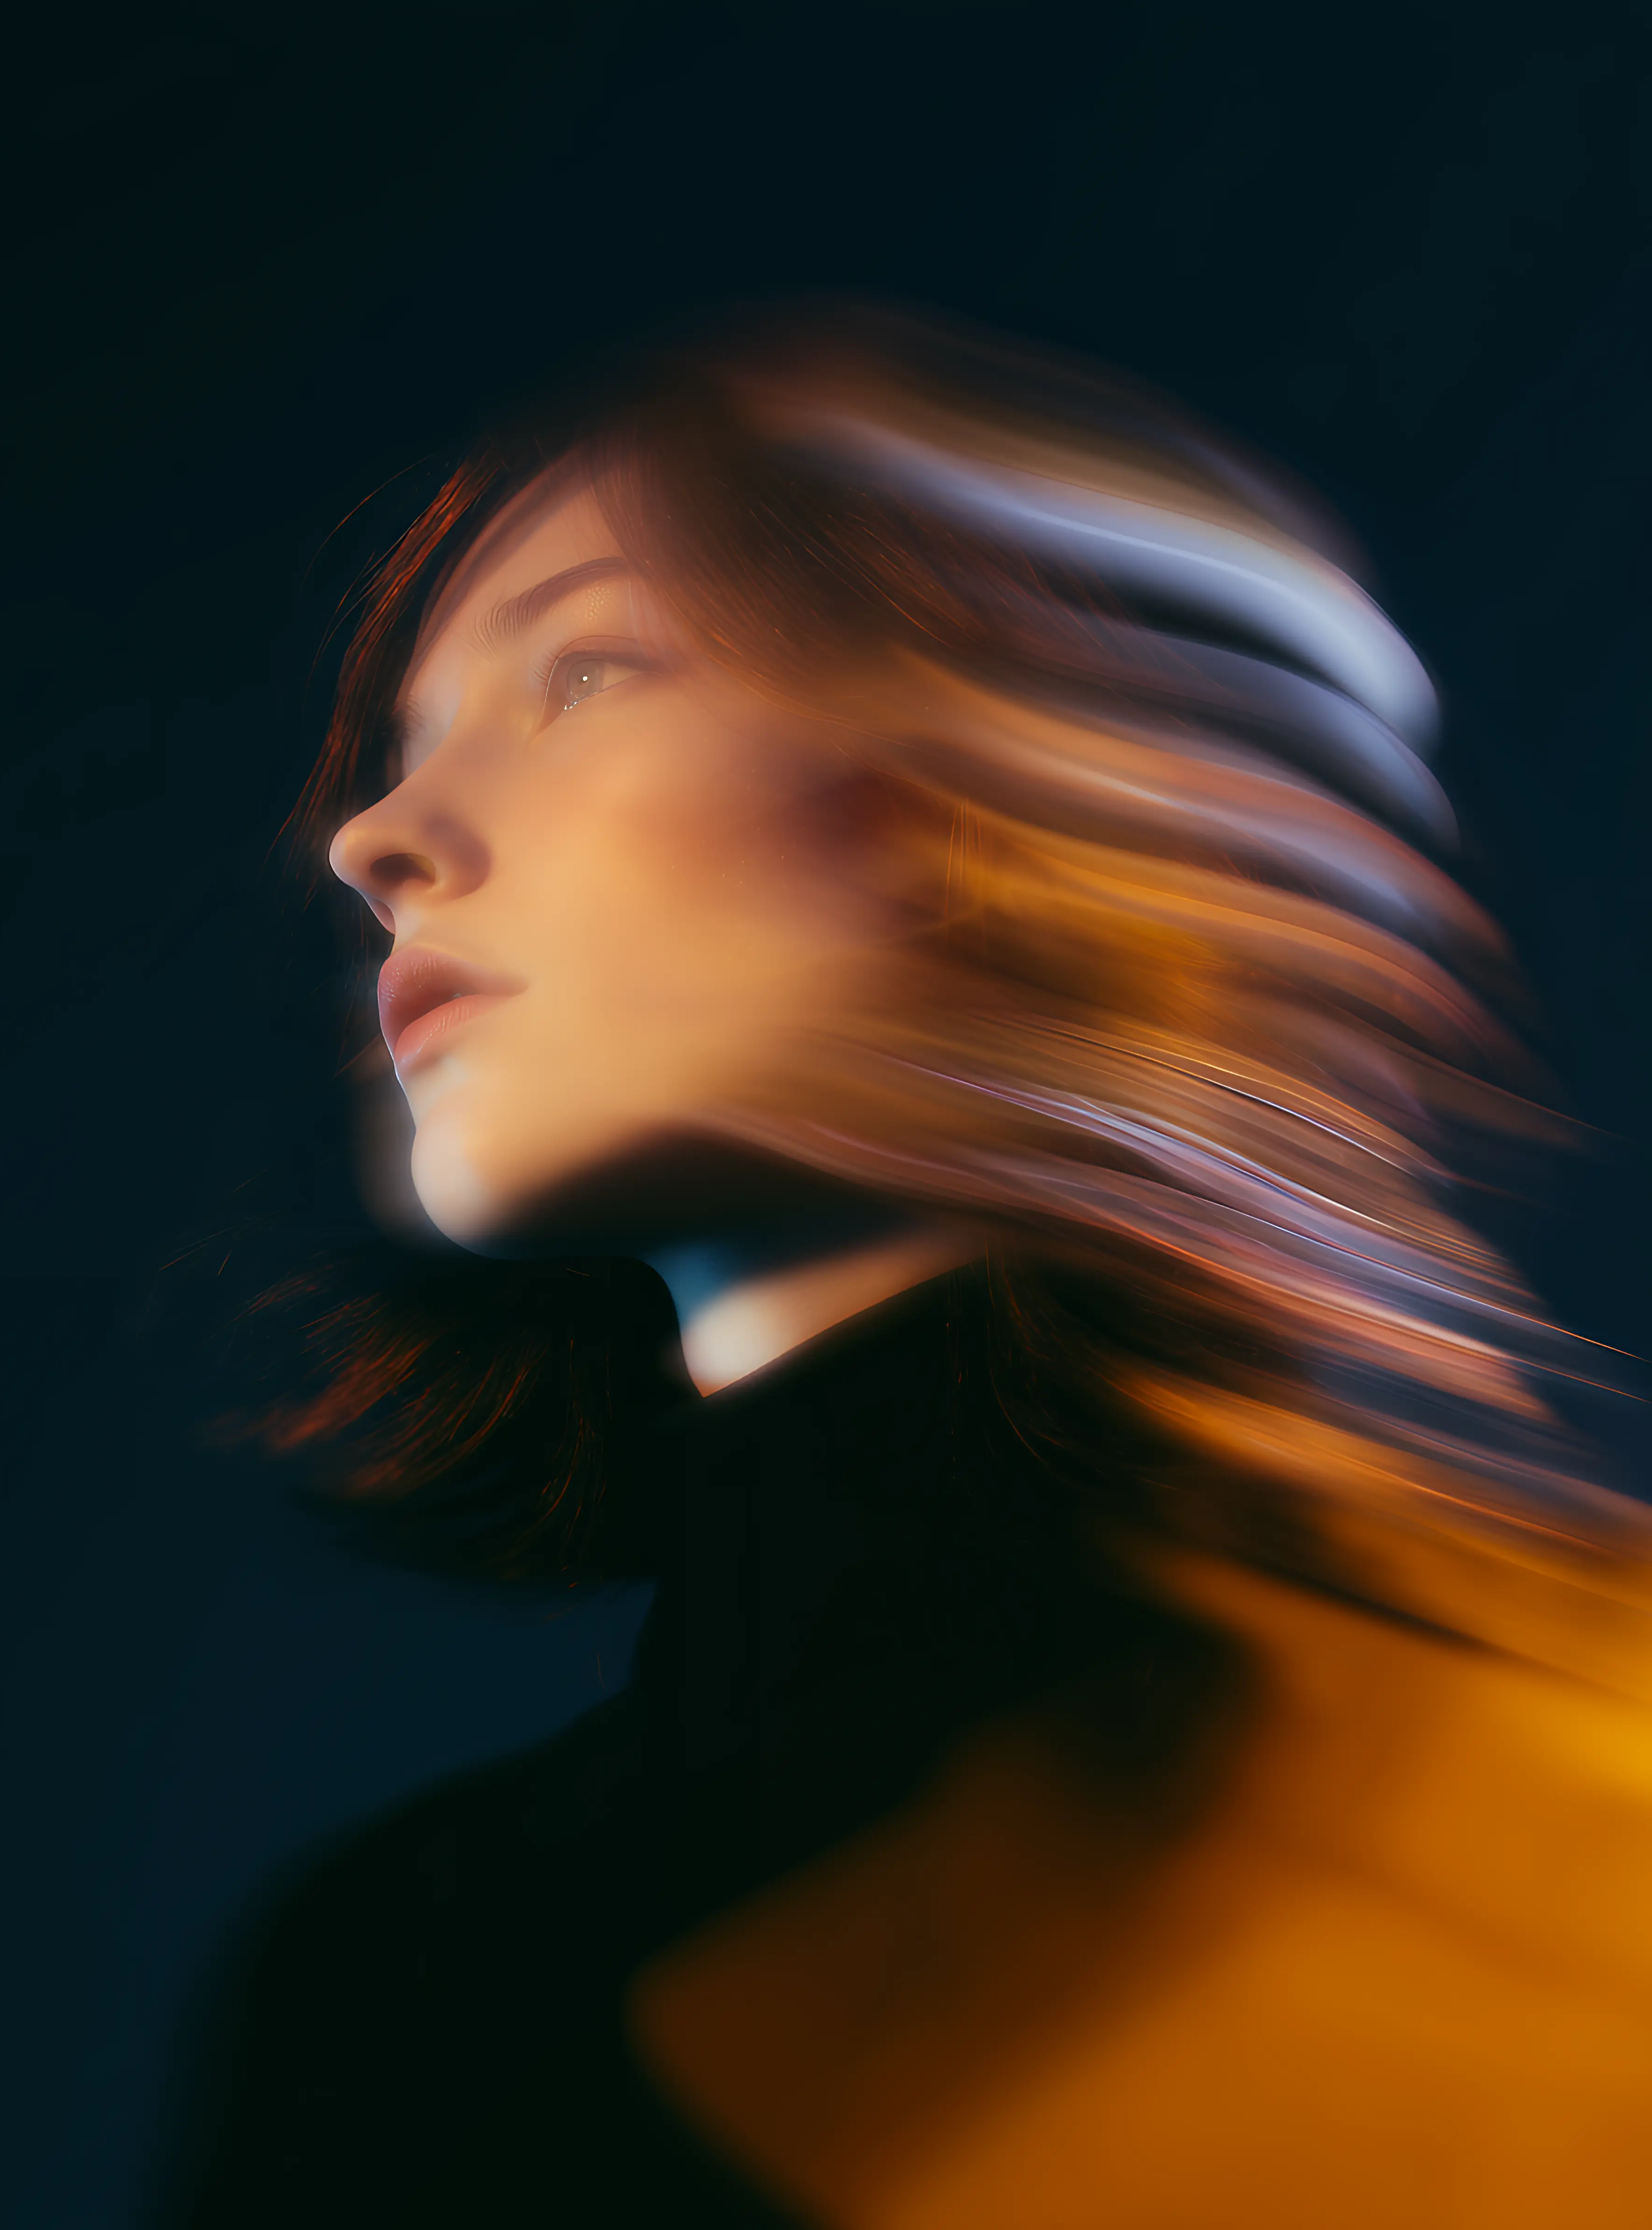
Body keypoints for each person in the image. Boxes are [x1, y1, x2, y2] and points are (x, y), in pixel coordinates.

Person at [159, 304, 1652, 2227]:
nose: (375, 834)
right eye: (406, 741)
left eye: (585, 669)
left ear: (963, 783)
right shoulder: (377, 1978)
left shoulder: (1570, 1783)